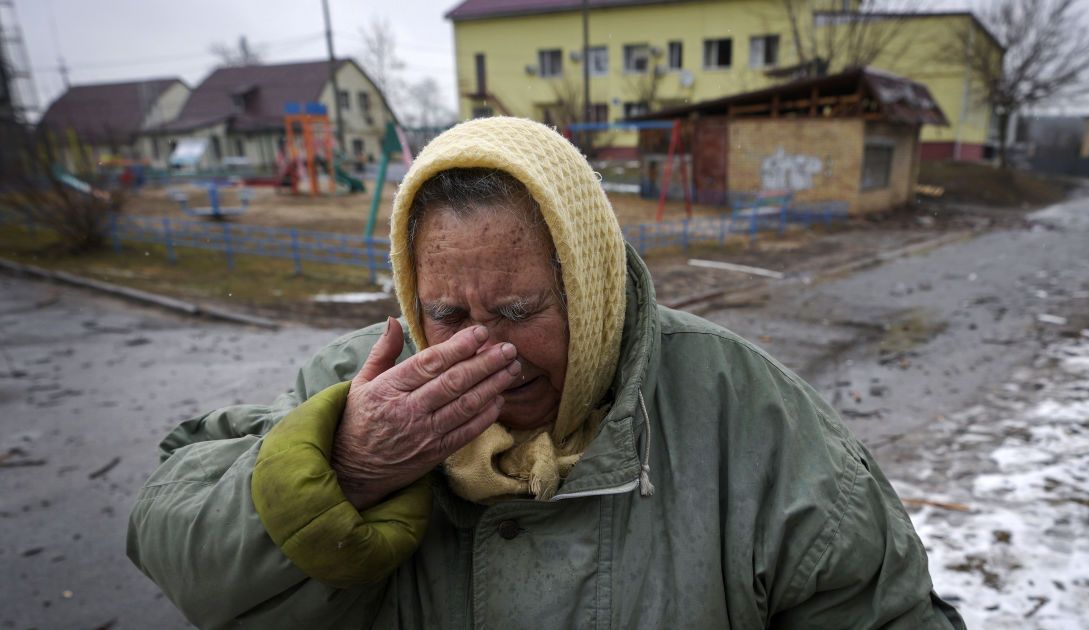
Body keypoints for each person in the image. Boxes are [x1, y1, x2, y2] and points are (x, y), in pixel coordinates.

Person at [127, 117, 964, 629]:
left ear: (593, 291)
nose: (484, 350)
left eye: (521, 312)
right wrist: (343, 468)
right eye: (447, 315)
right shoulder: (360, 385)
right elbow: (175, 537)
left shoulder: (749, 415)